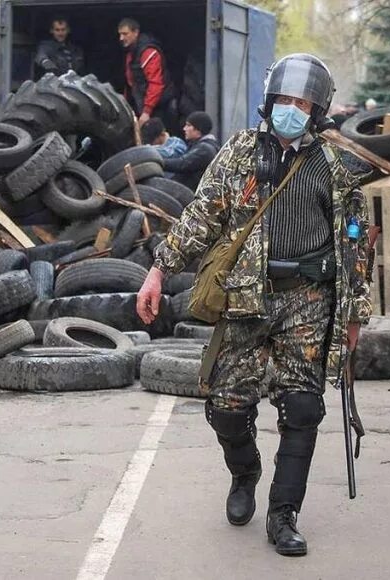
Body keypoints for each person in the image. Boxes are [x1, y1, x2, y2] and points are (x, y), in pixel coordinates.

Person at [136, 53, 371, 557]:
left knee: (303, 406)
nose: (291, 109)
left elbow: (356, 247)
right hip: (246, 299)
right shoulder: (240, 153)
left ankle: (284, 514)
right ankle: (245, 472)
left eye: (302, 102)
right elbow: (201, 217)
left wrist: (354, 314)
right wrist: (158, 270)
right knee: (226, 407)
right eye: (284, 99)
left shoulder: (336, 168)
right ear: (269, 102)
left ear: (318, 109)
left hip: (309, 299)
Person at [118, 17, 177, 129]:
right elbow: (130, 83)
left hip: (160, 106)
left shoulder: (148, 52)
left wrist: (146, 112)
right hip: (145, 104)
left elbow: (156, 84)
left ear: (136, 32)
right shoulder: (131, 53)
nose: (121, 38)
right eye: (120, 34)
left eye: (125, 34)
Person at [162, 111, 220, 190]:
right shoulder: (202, 145)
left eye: (188, 125)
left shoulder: (204, 149)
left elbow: (181, 164)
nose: (184, 128)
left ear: (198, 129)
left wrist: (159, 161)